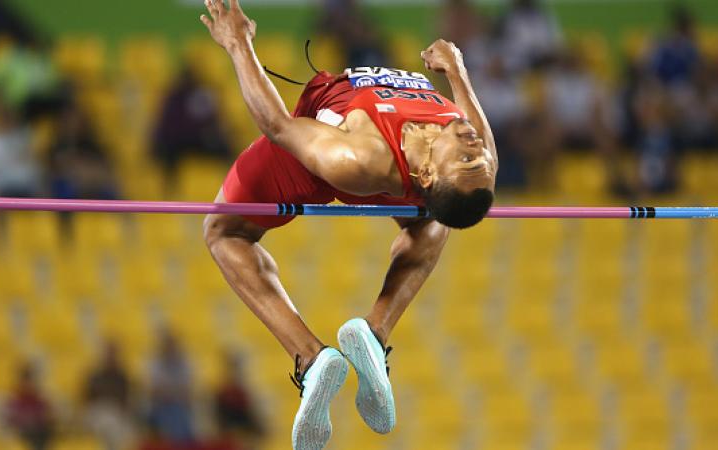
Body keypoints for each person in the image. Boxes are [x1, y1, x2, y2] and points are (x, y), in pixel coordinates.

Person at [199, 1, 497, 449]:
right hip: (389, 161)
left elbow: (280, 127)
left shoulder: (357, 159)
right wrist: (456, 72)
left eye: (466, 158)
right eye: (478, 157)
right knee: (436, 219)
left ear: (430, 175)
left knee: (224, 232)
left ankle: (310, 358)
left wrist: (239, 45)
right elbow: (482, 137)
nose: (473, 144)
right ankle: (373, 337)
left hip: (317, 153)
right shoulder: (474, 158)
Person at [82, 341, 137, 450]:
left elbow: (127, 398)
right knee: (110, 425)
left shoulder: (122, 376)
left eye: (114, 354)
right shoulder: (95, 375)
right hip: (98, 412)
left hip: (119, 413)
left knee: (131, 433)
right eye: (109, 354)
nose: (111, 357)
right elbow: (87, 398)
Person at [3, 362, 55, 450]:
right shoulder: (13, 398)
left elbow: (48, 416)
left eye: (32, 380)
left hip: (39, 433)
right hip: (22, 433)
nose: (29, 384)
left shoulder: (39, 398)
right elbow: (10, 420)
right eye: (27, 380)